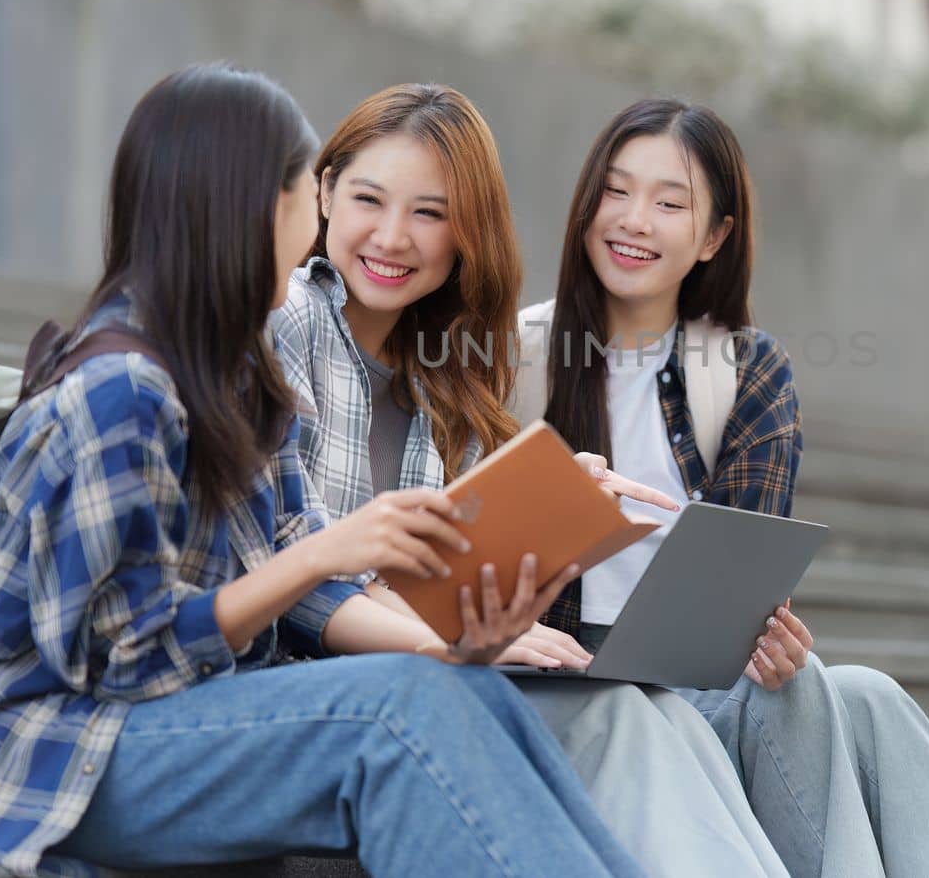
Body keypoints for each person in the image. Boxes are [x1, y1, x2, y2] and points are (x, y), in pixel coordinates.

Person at [0, 64, 643, 878]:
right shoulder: (120, 388)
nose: (321, 224)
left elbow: (300, 584)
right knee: (394, 714)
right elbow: (121, 660)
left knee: (469, 697)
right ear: (242, 208)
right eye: (313, 191)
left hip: (176, 723)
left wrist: (455, 649)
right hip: (55, 751)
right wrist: (323, 557)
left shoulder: (242, 377)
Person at [270, 82, 788, 876]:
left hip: (437, 669)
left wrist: (540, 508)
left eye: (430, 214)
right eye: (369, 199)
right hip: (338, 687)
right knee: (626, 718)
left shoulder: (448, 375)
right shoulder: (295, 321)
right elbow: (306, 573)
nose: (393, 236)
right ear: (324, 192)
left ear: (465, 233)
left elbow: (426, 574)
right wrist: (458, 639)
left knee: (742, 708)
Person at [515, 97, 929, 878]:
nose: (634, 218)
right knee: (806, 692)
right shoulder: (513, 357)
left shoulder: (746, 370)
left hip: (685, 678)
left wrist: (762, 644)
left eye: (669, 202)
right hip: (556, 681)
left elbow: (734, 592)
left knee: (861, 693)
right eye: (616, 191)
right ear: (585, 205)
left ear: (713, 237)